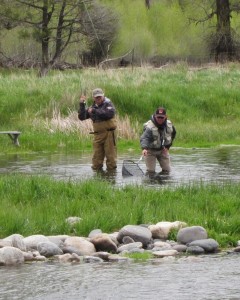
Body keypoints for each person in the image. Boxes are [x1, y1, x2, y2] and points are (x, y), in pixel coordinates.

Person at [78, 88, 117, 171]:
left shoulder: (108, 104)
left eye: (100, 97)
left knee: (111, 159)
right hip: (98, 135)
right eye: (96, 97)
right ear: (93, 98)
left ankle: (111, 178)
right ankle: (98, 179)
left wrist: (94, 111)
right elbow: (81, 117)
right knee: (96, 160)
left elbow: (108, 114)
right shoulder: (92, 107)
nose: (98, 99)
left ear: (103, 96)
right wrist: (82, 104)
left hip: (109, 134)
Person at [140, 107, 176, 176]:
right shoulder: (149, 127)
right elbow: (144, 138)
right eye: (158, 117)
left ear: (166, 117)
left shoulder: (169, 125)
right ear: (155, 116)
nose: (160, 119)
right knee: (151, 172)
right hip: (150, 151)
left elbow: (173, 134)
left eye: (162, 117)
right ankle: (151, 184)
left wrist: (167, 147)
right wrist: (144, 148)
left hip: (162, 150)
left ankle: (162, 183)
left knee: (167, 170)